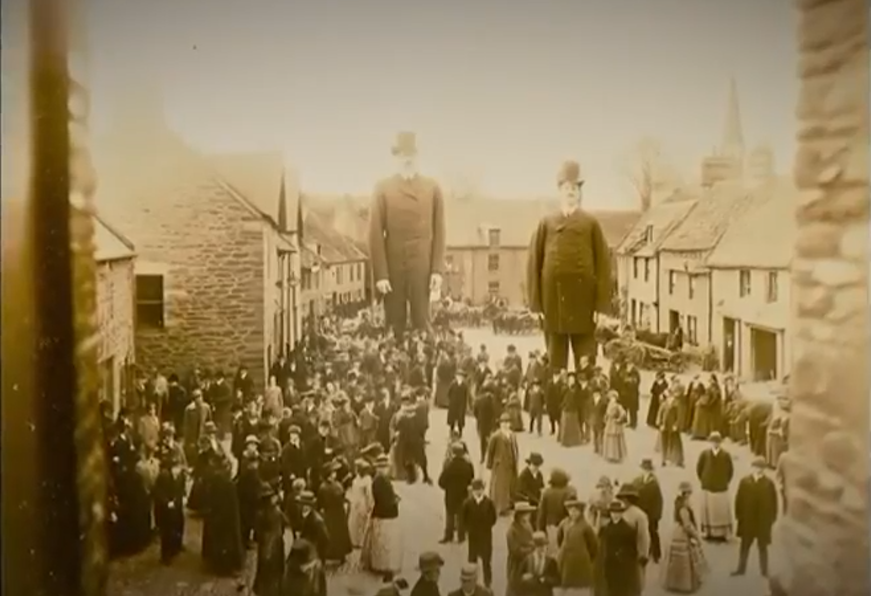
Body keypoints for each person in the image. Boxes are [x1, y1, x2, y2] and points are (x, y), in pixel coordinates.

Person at [527, 159, 611, 374]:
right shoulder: (546, 222)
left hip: (584, 305)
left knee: (586, 365)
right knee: (556, 367)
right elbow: (534, 263)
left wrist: (602, 307)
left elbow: (604, 265)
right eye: (566, 187)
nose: (571, 191)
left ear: (580, 193)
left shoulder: (591, 223)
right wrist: (535, 305)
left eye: (575, 188)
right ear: (560, 191)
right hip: (553, 305)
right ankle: (558, 394)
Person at [368, 131, 447, 338]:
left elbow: (440, 232)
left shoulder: (432, 188)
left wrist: (437, 270)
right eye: (403, 155)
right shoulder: (383, 189)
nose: (408, 159)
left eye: (411, 154)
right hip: (394, 266)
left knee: (423, 324)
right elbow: (375, 233)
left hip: (422, 265)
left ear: (418, 156)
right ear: (396, 157)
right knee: (394, 326)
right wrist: (381, 274)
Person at [731, 456, 778, 578]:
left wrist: (771, 519)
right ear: (752, 467)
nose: (758, 470)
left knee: (763, 547)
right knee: (744, 546)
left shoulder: (769, 484)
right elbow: (739, 500)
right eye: (756, 467)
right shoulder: (745, 482)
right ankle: (741, 569)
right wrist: (739, 516)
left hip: (762, 521)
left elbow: (774, 503)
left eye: (761, 468)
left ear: (764, 469)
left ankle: (764, 571)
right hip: (748, 520)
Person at [660, 481, 708, 594]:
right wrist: (696, 536)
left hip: (677, 532)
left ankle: (675, 583)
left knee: (676, 559)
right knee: (685, 560)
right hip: (682, 534)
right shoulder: (683, 508)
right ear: (685, 494)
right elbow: (687, 525)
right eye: (688, 493)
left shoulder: (678, 503)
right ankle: (683, 585)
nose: (689, 496)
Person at [366, 454, 403, 580]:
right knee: (385, 543)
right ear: (379, 468)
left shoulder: (381, 479)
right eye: (383, 467)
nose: (386, 468)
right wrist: (394, 501)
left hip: (385, 514)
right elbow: (382, 499)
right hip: (384, 515)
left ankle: (383, 565)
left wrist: (394, 497)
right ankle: (384, 566)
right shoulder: (379, 480)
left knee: (384, 542)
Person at [695, 432, 734, 541]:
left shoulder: (725, 455)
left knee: (721, 510)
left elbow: (730, 471)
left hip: (721, 487)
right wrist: (704, 480)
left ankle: (723, 532)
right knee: (708, 511)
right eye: (713, 442)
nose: (715, 444)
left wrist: (724, 481)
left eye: (717, 442)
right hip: (707, 486)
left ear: (720, 443)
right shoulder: (704, 454)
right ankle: (707, 532)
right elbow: (699, 469)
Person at [555, 499, 598, 596]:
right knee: (565, 581)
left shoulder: (585, 526)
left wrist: (586, 555)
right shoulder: (564, 524)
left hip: (580, 560)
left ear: (580, 512)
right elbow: (559, 538)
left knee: (579, 584)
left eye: (575, 511)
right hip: (565, 558)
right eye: (571, 511)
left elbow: (593, 545)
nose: (573, 513)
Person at [599, 500, 641, 596]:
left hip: (622, 564)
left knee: (621, 588)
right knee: (610, 586)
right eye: (613, 512)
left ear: (621, 513)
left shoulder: (628, 529)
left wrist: (623, 554)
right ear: (610, 513)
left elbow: (633, 548)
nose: (615, 515)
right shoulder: (606, 528)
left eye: (618, 512)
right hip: (609, 562)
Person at [152, 451, 186, 565]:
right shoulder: (164, 476)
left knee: (178, 526)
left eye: (179, 467)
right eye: (176, 467)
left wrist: (181, 498)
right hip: (165, 508)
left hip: (176, 506)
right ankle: (165, 555)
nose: (178, 470)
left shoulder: (181, 476)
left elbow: (181, 490)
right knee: (166, 531)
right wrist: (167, 502)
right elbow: (157, 492)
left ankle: (176, 546)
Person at [462, 478, 498, 588]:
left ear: (483, 489)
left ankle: (488, 583)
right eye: (476, 489)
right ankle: (472, 581)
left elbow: (493, 518)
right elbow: (463, 519)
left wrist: (487, 525)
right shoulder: (468, 503)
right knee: (472, 561)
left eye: (480, 489)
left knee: (486, 561)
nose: (478, 492)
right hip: (473, 537)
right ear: (472, 490)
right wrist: (468, 529)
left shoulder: (489, 503)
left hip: (485, 536)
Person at [253, 484, 286, 596]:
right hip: (276, 542)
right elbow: (285, 523)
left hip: (266, 544)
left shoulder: (260, 513)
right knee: (276, 570)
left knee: (264, 570)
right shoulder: (277, 511)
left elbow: (257, 533)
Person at [439, 442, 475, 544]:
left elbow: (441, 482)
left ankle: (448, 536)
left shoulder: (449, 466)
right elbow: (471, 478)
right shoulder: (467, 465)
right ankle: (461, 536)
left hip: (450, 494)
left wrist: (447, 487)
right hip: (463, 494)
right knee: (461, 515)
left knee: (450, 515)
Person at [537, 468, 577, 555]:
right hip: (566, 526)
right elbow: (573, 512)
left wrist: (541, 529)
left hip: (551, 527)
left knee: (552, 552)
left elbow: (542, 514)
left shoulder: (546, 493)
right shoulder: (570, 492)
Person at [485, 413, 519, 515]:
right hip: (500, 464)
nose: (505, 425)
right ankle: (498, 507)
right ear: (500, 424)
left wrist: (516, 459)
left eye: (507, 422)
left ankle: (507, 504)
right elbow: (490, 451)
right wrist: (490, 464)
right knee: (499, 486)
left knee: (509, 484)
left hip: (510, 463)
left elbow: (515, 449)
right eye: (503, 423)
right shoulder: (496, 436)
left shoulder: (512, 435)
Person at [632, 459, 664, 565]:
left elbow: (658, 501)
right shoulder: (637, 481)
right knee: (640, 532)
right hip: (640, 510)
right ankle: (642, 552)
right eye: (644, 469)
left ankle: (656, 554)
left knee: (653, 532)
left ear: (650, 471)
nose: (645, 471)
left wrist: (657, 516)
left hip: (651, 513)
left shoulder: (654, 484)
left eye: (647, 469)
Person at [505, 502, 537, 596]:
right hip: (516, 565)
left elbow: (533, 539)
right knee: (515, 588)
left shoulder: (528, 526)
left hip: (529, 563)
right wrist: (531, 549)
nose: (528, 516)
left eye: (528, 513)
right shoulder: (512, 530)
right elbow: (516, 551)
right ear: (519, 515)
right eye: (526, 513)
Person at [517, 531, 560, 596]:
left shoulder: (551, 561)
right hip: (530, 593)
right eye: (540, 546)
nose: (543, 548)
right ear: (535, 547)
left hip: (545, 593)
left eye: (545, 546)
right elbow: (518, 579)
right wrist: (524, 578)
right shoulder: (527, 560)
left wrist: (545, 579)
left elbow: (558, 580)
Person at [348, 459, 375, 549]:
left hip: (362, 502)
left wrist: (370, 504)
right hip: (356, 501)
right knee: (355, 521)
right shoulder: (356, 479)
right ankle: (355, 541)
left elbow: (369, 493)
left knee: (361, 521)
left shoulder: (367, 480)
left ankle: (360, 541)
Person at [559, 372, 583, 447]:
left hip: (574, 408)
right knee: (565, 425)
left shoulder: (577, 387)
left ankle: (575, 441)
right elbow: (561, 396)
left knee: (574, 426)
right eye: (570, 379)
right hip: (566, 408)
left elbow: (578, 397)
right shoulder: (564, 387)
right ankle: (565, 441)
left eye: (572, 379)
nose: (571, 380)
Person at [602, 391, 628, 464]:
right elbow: (607, 414)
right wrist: (605, 418)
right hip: (609, 424)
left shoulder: (618, 406)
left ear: (616, 398)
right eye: (611, 398)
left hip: (615, 425)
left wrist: (618, 419)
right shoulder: (609, 405)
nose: (612, 399)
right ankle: (610, 455)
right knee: (609, 439)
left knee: (615, 440)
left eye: (614, 398)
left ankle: (616, 456)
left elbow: (623, 413)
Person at [448, 370, 470, 435]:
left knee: (460, 417)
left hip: (461, 404)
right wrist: (451, 400)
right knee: (452, 416)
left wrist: (466, 404)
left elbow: (466, 395)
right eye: (458, 376)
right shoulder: (453, 384)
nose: (459, 378)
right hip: (453, 403)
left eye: (461, 376)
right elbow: (449, 393)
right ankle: (451, 429)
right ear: (456, 376)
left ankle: (460, 430)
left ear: (463, 378)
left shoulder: (465, 385)